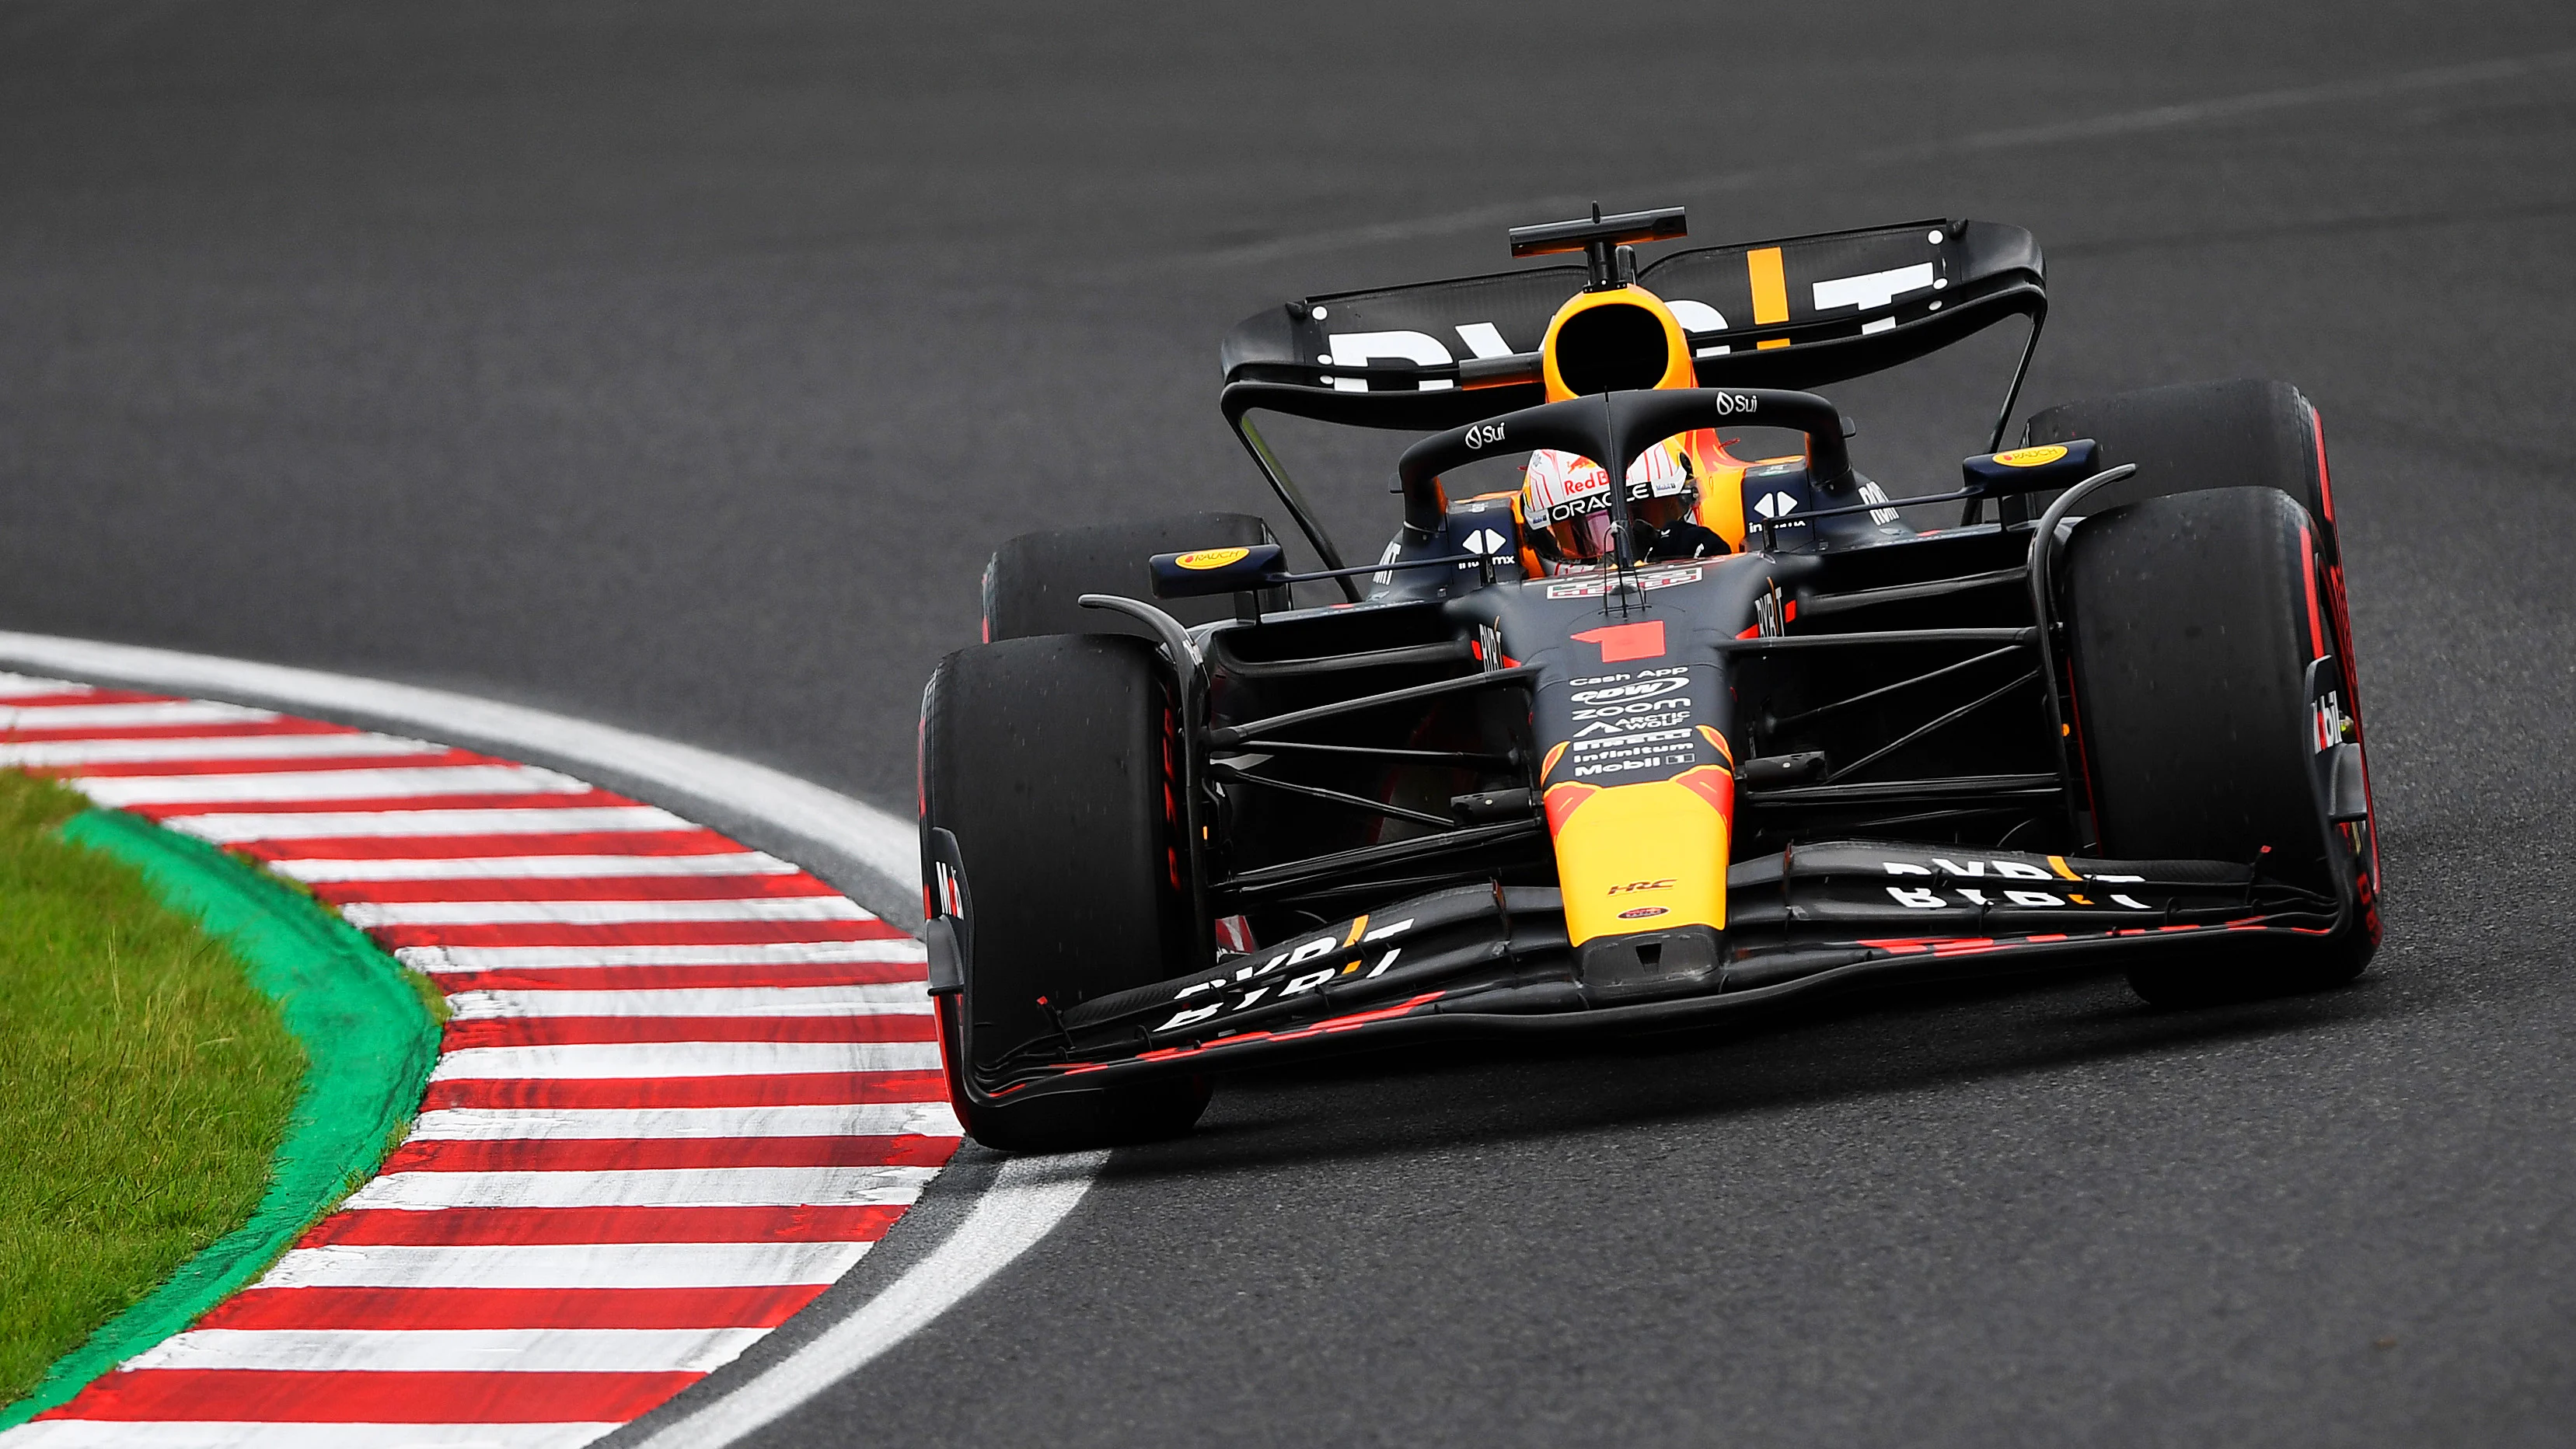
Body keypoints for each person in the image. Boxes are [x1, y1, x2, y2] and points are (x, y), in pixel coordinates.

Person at [1520, 431, 1741, 567]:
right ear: (1542, 539)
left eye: (1647, 518)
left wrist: (1715, 571)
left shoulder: (1696, 546)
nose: (1621, 556)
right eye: (1590, 536)